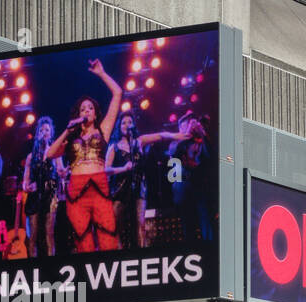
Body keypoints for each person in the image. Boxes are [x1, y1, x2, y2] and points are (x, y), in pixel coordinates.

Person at [46, 58, 123, 252]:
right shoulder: (70, 138)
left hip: (99, 186)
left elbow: (118, 93)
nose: (86, 110)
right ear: (78, 115)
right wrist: (67, 130)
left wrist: (101, 73)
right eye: (83, 109)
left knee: (108, 241)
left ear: (96, 113)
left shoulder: (103, 130)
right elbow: (50, 153)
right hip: (76, 190)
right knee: (85, 244)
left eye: (90, 108)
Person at [105, 113, 194, 249]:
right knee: (116, 225)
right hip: (119, 189)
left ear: (133, 125)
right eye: (123, 122)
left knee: (140, 224)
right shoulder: (114, 147)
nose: (127, 124)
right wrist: (122, 169)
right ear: (119, 126)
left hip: (139, 187)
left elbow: (160, 135)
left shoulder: (139, 141)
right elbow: (105, 169)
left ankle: (140, 254)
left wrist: (175, 135)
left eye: (130, 122)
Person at [168, 113, 214, 243]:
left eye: (192, 123)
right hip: (182, 188)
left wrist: (203, 134)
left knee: (206, 222)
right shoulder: (175, 143)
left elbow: (210, 155)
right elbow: (174, 155)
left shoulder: (200, 141)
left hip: (200, 186)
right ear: (181, 128)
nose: (191, 126)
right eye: (187, 124)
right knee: (188, 226)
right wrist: (187, 134)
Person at [21, 116, 62, 257]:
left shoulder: (56, 153)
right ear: (37, 133)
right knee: (32, 236)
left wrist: (66, 171)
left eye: (47, 130)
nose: (44, 132)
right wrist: (27, 187)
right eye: (42, 130)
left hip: (50, 196)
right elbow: (25, 181)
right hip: (34, 196)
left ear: (51, 134)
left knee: (49, 233)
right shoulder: (30, 157)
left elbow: (61, 172)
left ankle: (51, 266)